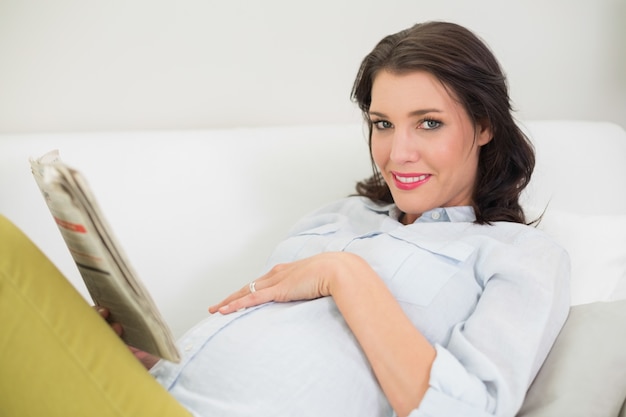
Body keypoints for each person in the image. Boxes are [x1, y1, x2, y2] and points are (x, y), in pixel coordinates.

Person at [2, 21, 570, 417]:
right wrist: (140, 356)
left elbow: (467, 409)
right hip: (151, 396)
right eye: (381, 123)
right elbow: (262, 347)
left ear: (485, 124)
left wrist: (345, 277)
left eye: (428, 123)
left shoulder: (520, 256)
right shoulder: (338, 219)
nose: (398, 153)